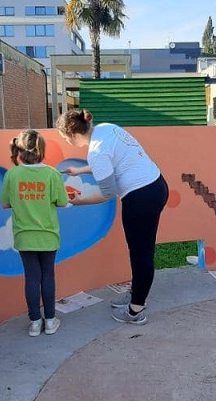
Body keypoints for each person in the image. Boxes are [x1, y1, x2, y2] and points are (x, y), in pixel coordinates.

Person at [56, 109, 168, 325]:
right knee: (141, 250)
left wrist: (79, 201)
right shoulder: (107, 129)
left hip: (140, 197)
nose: (66, 141)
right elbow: (110, 162)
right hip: (156, 185)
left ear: (73, 135)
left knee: (140, 254)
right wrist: (80, 171)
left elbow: (106, 193)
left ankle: (136, 310)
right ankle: (137, 292)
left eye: (64, 138)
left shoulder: (96, 151)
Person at [0, 129, 69, 336]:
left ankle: (34, 323)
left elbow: (5, 203)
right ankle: (50, 321)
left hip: (23, 235)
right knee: (47, 275)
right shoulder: (52, 174)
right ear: (42, 150)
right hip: (48, 235)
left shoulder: (12, 174)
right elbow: (63, 202)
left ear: (20, 150)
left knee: (31, 277)